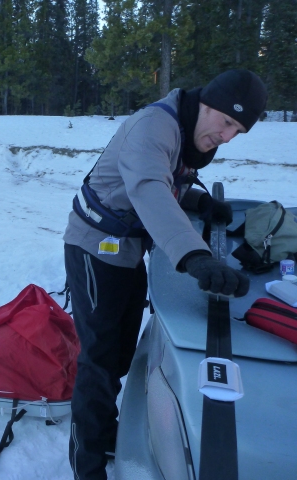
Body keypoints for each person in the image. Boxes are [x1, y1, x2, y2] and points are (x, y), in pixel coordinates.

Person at [63, 69, 268, 480]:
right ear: (207, 103)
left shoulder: (187, 130)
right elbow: (147, 187)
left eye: (238, 131)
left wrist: (197, 200)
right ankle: (86, 463)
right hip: (94, 247)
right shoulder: (155, 125)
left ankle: (103, 431)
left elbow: (169, 180)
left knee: (120, 353)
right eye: (227, 122)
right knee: (99, 361)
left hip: (127, 250)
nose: (227, 137)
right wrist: (196, 256)